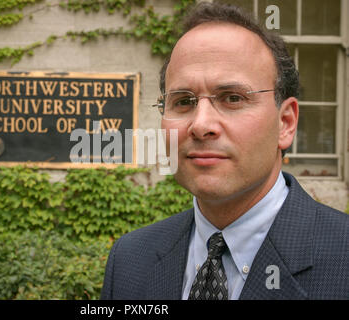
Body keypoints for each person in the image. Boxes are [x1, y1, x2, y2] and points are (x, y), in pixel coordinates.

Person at [100, 2, 349, 300]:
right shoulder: (129, 260)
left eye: (232, 98)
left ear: (285, 123)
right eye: (183, 101)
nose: (201, 125)